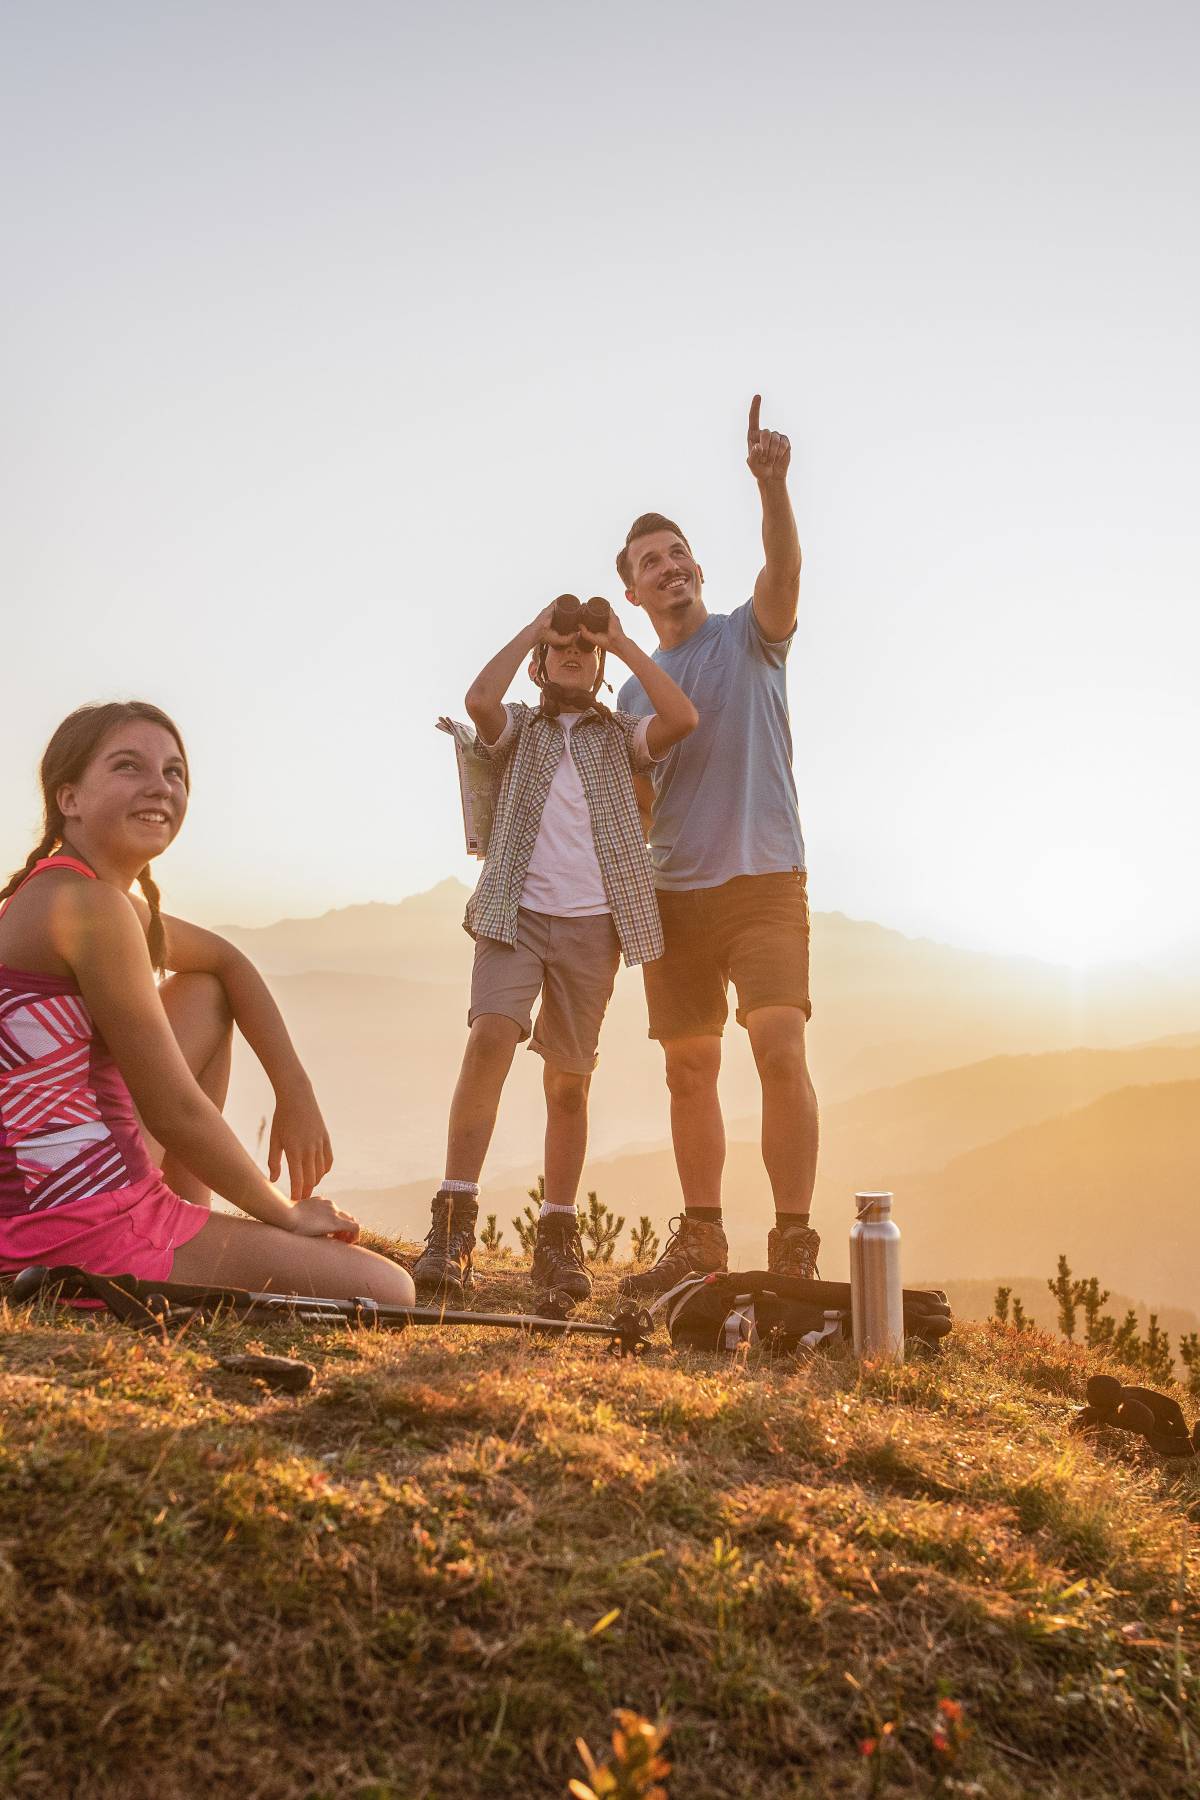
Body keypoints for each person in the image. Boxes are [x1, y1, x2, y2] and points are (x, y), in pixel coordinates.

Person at [0, 701, 414, 1303]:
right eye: (127, 767)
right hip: (73, 1227)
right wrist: (284, 1213)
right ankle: (170, 1247)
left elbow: (227, 962)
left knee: (204, 991)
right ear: (70, 799)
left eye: (175, 772)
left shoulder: (66, 893)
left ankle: (191, 1225)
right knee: (388, 1290)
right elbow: (172, 1111)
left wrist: (293, 1090)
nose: (159, 787)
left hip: (39, 1203)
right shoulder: (90, 909)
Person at [413, 599, 698, 1303]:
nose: (575, 652)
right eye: (562, 646)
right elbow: (478, 699)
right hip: (515, 913)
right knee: (490, 1039)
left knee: (569, 1083)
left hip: (594, 927)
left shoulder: (621, 735)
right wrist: (536, 631)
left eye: (585, 647)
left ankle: (559, 1232)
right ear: (541, 661)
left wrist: (623, 645)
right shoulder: (520, 727)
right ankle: (452, 1224)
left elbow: (682, 720)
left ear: (600, 667)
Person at [613, 395, 820, 1298]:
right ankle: (702, 1239)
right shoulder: (629, 702)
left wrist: (772, 485)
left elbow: (784, 566)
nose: (669, 569)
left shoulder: (749, 637)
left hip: (766, 881)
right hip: (674, 897)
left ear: (697, 565)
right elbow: (630, 810)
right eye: (649, 565)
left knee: (779, 1046)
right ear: (632, 591)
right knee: (689, 1068)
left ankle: (795, 1244)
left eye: (677, 554)